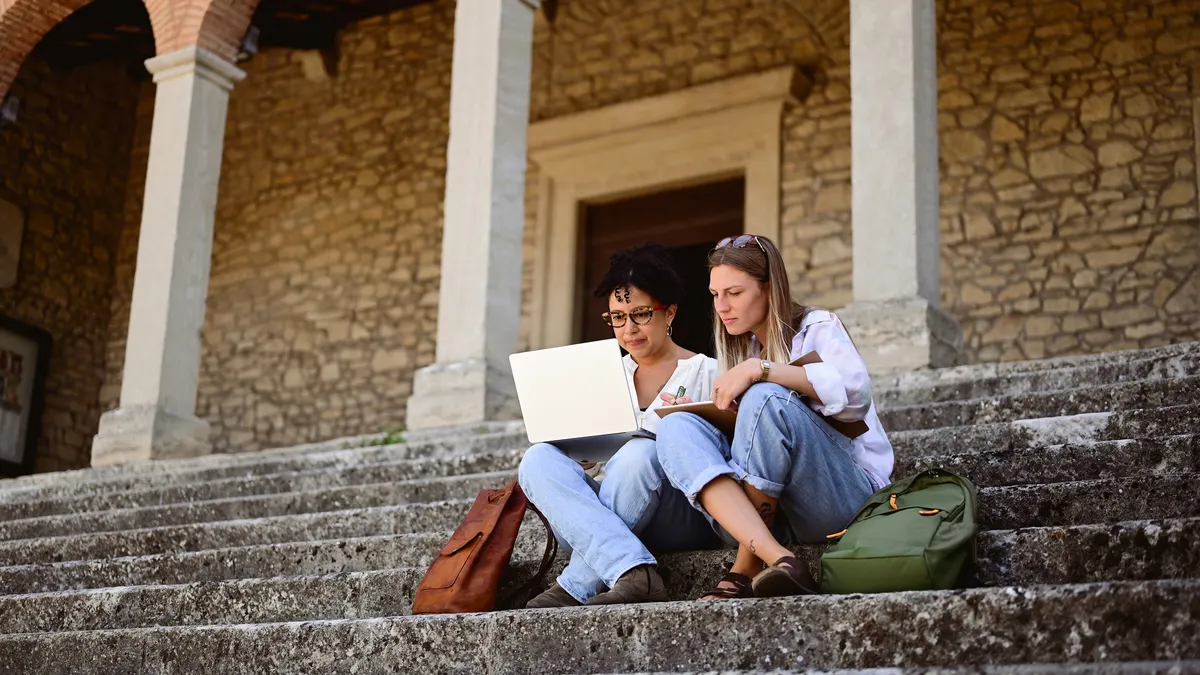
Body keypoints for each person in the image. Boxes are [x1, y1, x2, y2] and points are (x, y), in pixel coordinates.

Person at [655, 234, 893, 600]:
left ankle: (745, 566)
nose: (722, 306)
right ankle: (779, 557)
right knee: (676, 424)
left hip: (842, 496)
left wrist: (762, 370)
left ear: (769, 289)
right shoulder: (741, 348)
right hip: (780, 516)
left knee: (765, 396)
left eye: (734, 293)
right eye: (715, 295)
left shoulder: (816, 326)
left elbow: (855, 396)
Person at [518, 244, 721, 608]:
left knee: (641, 451)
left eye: (640, 314)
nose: (628, 329)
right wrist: (579, 455)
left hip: (676, 514)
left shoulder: (708, 372)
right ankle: (631, 569)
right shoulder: (604, 377)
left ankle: (577, 584)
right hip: (602, 517)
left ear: (669, 312)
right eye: (617, 317)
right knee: (537, 459)